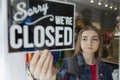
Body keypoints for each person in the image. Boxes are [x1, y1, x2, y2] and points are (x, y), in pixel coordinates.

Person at [29, 25, 113, 80]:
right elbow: (60, 77)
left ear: (99, 43)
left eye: (94, 39)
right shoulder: (70, 63)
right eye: (84, 39)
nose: (89, 43)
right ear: (79, 42)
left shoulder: (105, 68)